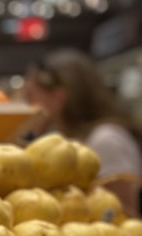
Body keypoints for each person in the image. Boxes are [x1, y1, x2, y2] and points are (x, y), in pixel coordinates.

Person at [23, 48, 142, 217]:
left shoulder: (105, 140)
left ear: (57, 97)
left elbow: (125, 219)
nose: (27, 106)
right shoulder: (69, 141)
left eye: (30, 97)